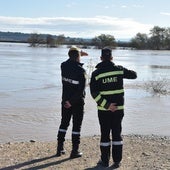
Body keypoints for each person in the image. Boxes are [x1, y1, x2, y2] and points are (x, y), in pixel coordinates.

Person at [90, 47, 137, 168]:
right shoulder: (119, 70)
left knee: (105, 134)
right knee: (117, 133)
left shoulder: (96, 73)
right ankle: (117, 160)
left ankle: (104, 161)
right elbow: (134, 75)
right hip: (118, 109)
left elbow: (94, 93)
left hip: (103, 110)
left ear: (101, 58)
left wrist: (106, 105)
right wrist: (121, 71)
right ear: (111, 58)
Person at [56, 45, 88, 158]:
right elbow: (81, 90)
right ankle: (74, 151)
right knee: (76, 126)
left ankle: (59, 148)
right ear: (78, 56)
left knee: (64, 123)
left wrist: (68, 102)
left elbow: (71, 61)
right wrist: (72, 102)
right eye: (80, 55)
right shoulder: (81, 70)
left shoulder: (63, 66)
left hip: (65, 101)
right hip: (77, 102)